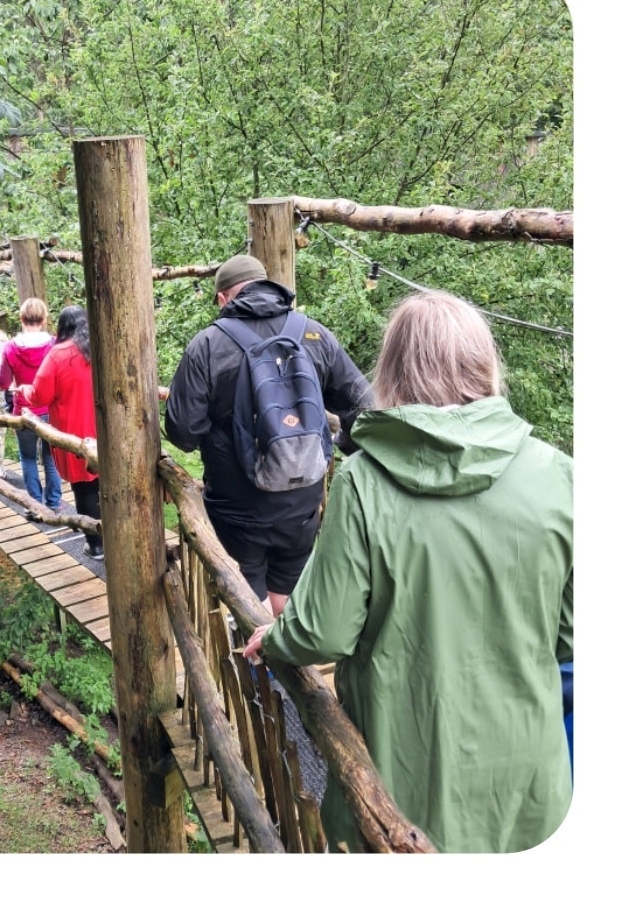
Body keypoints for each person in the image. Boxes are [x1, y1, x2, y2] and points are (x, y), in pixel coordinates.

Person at [242, 291, 572, 853]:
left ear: (393, 373)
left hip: (403, 792)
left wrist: (276, 639)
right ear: (486, 365)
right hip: (529, 791)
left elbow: (322, 630)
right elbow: (570, 635)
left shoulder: (364, 482)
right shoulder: (559, 474)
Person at [164, 252, 370, 614]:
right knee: (288, 587)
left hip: (236, 506)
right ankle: (286, 660)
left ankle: (258, 659)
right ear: (267, 285)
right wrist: (343, 443)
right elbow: (363, 403)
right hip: (303, 499)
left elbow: (183, 432)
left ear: (223, 298)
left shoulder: (207, 346)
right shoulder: (314, 333)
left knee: (246, 594)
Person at [21, 306, 101, 555]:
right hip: (106, 430)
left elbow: (39, 395)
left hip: (76, 432)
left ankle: (96, 543)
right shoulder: (101, 348)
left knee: (84, 486)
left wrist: (24, 390)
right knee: (107, 486)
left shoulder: (58, 355)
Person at [0, 297, 62, 510]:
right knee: (50, 457)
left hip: (24, 410)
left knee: (27, 458)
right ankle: (53, 502)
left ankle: (34, 504)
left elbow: (4, 382)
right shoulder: (54, 345)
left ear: (21, 318)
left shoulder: (10, 348)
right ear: (44, 319)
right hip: (50, 409)